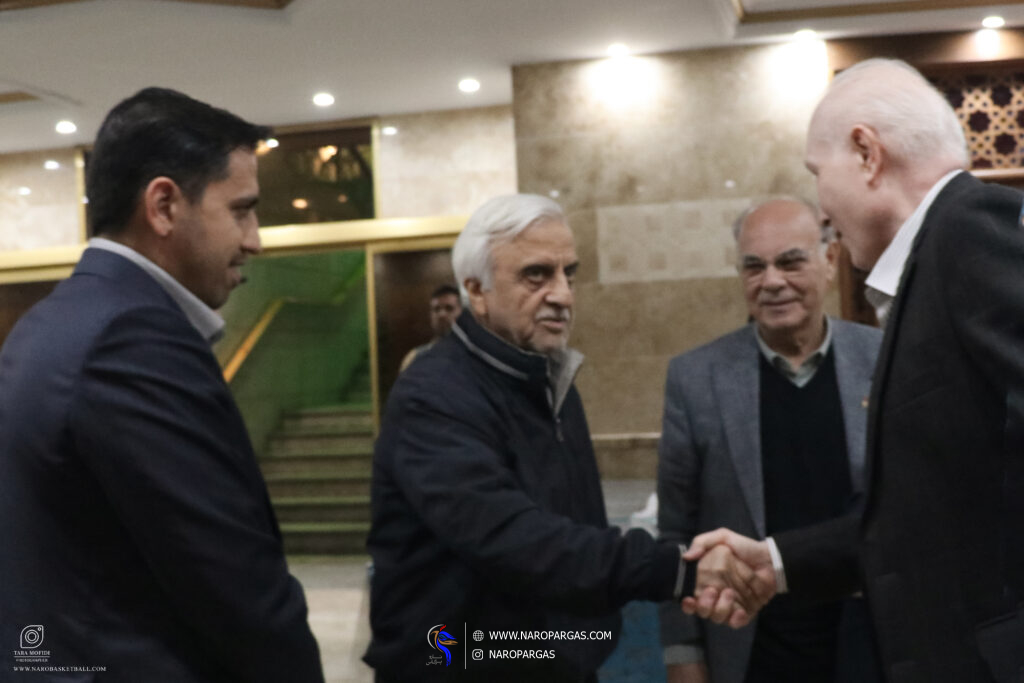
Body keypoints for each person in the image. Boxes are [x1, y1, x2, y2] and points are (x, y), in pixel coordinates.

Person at [685, 58, 1024, 683]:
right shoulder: (934, 262)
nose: (822, 204)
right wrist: (776, 562)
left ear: (867, 154)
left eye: (818, 172)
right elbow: (932, 507)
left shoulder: (971, 231)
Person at [0, 88, 323, 682]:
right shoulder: (132, 340)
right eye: (241, 211)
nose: (254, 239)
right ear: (164, 206)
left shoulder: (51, 322)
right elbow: (235, 583)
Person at [365, 194, 690, 682]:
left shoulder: (550, 380)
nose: (563, 296)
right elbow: (514, 541)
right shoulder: (432, 396)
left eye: (569, 274)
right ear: (476, 290)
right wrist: (671, 567)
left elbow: (574, 524)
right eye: (536, 276)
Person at [658, 198, 882, 683]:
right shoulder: (696, 379)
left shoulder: (882, 360)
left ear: (830, 260)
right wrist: (682, 654)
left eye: (791, 261)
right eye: (754, 267)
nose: (772, 281)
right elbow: (676, 533)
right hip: (753, 649)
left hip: (873, 642)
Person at [399, 283, 462, 371]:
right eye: (436, 309)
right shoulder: (415, 357)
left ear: (462, 314)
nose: (442, 314)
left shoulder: (474, 356)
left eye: (449, 308)